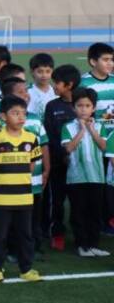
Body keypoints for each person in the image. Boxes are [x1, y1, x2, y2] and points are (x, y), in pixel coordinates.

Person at [0, 95, 43, 283]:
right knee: (0, 235)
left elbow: (32, 165)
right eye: (15, 113)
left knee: (25, 235)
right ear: (3, 116)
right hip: (2, 198)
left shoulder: (31, 138)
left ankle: (26, 269)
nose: (20, 117)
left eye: (23, 114)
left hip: (24, 198)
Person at [62, 87, 110, 257]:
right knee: (79, 213)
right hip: (76, 178)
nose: (83, 109)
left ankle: (93, 244)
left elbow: (104, 147)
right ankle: (82, 245)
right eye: (79, 105)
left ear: (94, 108)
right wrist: (82, 131)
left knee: (95, 212)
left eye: (87, 105)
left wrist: (91, 130)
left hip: (97, 177)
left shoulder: (101, 125)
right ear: (74, 107)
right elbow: (68, 148)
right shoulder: (68, 127)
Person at [42, 65, 82, 251]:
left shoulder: (83, 103)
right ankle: (57, 233)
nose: (53, 85)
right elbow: (50, 137)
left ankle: (81, 233)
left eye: (57, 82)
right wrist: (62, 155)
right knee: (56, 201)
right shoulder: (52, 106)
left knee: (79, 201)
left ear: (69, 84)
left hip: (81, 165)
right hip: (59, 164)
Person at [78, 42, 114, 235]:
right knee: (96, 183)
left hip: (113, 142)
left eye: (112, 59)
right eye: (106, 59)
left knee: (110, 184)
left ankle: (109, 220)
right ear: (93, 61)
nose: (110, 63)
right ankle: (96, 221)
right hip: (93, 141)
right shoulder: (84, 84)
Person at [28, 53, 56, 119]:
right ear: (32, 72)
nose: (44, 75)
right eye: (40, 72)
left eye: (48, 71)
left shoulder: (56, 92)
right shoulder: (27, 92)